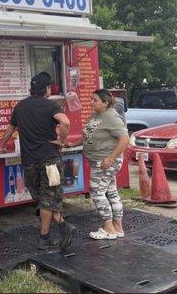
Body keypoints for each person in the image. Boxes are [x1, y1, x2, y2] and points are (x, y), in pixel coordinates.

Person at [0, 72, 77, 251]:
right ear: (47, 88)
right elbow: (65, 123)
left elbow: (10, 129)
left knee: (41, 198)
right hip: (49, 160)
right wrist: (62, 142)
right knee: (47, 199)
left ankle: (54, 232)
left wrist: (2, 146)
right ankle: (53, 232)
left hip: (29, 161)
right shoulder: (51, 106)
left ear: (32, 89)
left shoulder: (20, 106)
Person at [67, 89, 129, 240]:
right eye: (90, 99)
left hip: (104, 162)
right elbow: (89, 134)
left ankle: (108, 229)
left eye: (94, 100)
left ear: (105, 102)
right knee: (111, 192)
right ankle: (117, 227)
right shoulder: (97, 115)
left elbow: (125, 139)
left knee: (97, 193)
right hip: (99, 161)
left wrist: (111, 158)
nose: (91, 103)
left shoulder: (111, 116)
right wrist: (73, 144)